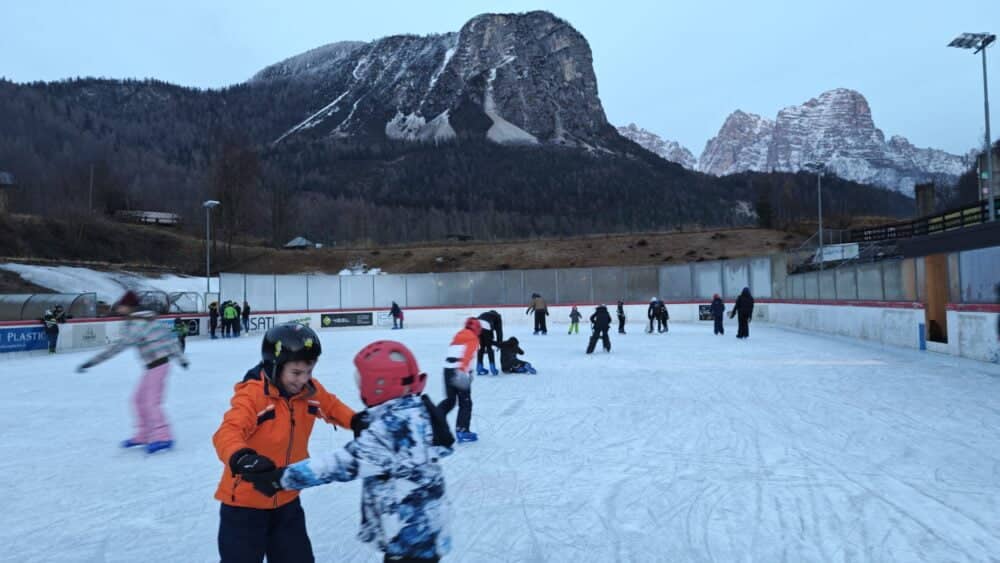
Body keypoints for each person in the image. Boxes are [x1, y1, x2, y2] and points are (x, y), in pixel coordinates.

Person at [241, 341, 454, 563]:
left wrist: (281, 478)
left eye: (362, 381)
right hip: (425, 530)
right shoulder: (415, 411)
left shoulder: (390, 430)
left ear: (379, 384)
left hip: (409, 539)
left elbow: (340, 464)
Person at [212, 322, 361, 563]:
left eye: (309, 372)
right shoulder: (253, 396)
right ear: (274, 366)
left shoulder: (308, 391)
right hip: (244, 506)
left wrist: (357, 422)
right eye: (296, 372)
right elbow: (228, 431)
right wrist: (242, 457)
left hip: (286, 499)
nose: (304, 379)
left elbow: (331, 406)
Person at [77, 290, 189, 454]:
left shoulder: (138, 323)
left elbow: (121, 345)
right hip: (151, 366)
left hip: (159, 365)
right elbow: (170, 341)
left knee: (151, 403)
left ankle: (164, 436)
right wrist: (181, 359)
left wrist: (92, 362)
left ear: (128, 306)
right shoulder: (140, 319)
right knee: (137, 400)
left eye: (121, 306)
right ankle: (143, 434)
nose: (118, 309)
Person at [438, 318, 480, 442]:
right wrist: (463, 371)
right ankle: (462, 430)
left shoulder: (458, 336)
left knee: (450, 401)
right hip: (459, 370)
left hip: (447, 369)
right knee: (465, 402)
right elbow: (467, 355)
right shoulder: (473, 338)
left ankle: (433, 421)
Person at [476, 310, 503, 375]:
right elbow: (499, 332)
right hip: (486, 325)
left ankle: (479, 367)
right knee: (489, 347)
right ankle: (492, 368)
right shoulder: (498, 317)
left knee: (482, 347)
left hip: (477, 325)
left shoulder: (484, 313)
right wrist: (499, 343)